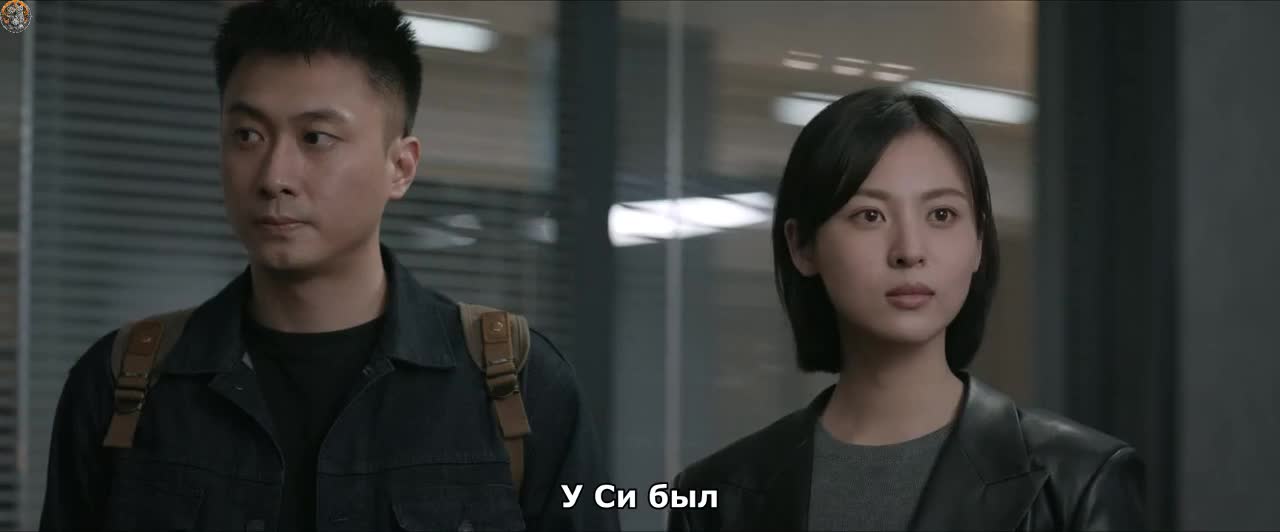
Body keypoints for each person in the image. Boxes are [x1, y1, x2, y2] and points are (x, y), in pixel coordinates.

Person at [38, 1, 618, 530]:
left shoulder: (516, 386)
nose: (274, 177)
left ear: (401, 167)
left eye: (315, 138)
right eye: (247, 135)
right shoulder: (123, 386)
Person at [666, 87, 1145, 531]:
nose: (910, 251)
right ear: (801, 246)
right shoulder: (715, 495)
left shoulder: (1079, 479)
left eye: (942, 215)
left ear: (978, 242)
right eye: (869, 215)